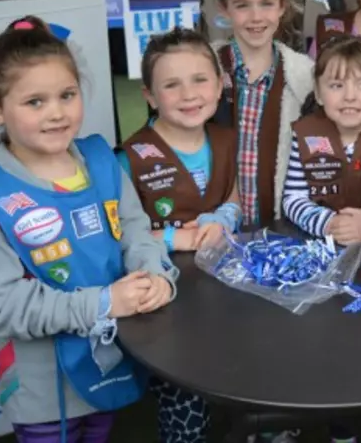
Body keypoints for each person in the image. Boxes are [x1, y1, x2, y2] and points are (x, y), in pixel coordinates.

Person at [0, 16, 177, 443]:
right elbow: (4, 307)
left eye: (67, 95)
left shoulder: (102, 161)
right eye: (34, 102)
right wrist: (106, 302)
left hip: (110, 360)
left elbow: (135, 228)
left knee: (103, 432)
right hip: (42, 387)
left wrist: (156, 274)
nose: (56, 113)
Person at [117, 28, 240, 443]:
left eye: (200, 79)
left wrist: (224, 217)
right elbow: (120, 236)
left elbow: (236, 197)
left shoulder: (228, 140)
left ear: (220, 85)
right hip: (167, 292)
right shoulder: (130, 157)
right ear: (150, 96)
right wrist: (174, 239)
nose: (189, 94)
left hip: (224, 286)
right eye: (171, 84)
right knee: (185, 389)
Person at [212, 0, 315, 230]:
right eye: (243, 5)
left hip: (284, 231)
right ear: (224, 8)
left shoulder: (305, 77)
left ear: (282, 6)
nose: (256, 17)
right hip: (215, 231)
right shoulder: (204, 71)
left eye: (267, 4)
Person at [284, 35, 361, 242]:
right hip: (320, 246)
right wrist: (329, 224)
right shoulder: (306, 133)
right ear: (318, 93)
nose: (350, 96)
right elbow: (293, 198)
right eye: (336, 86)